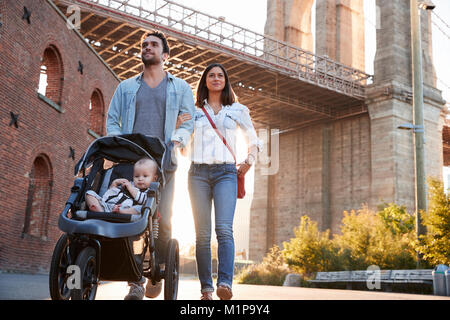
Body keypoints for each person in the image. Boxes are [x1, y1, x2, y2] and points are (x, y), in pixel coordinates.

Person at [106, 29, 195, 300]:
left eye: (154, 45)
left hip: (164, 161)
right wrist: (118, 142)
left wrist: (177, 141)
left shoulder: (180, 87)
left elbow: (189, 120)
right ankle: (134, 281)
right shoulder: (126, 87)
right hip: (132, 163)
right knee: (129, 217)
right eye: (144, 44)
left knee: (162, 218)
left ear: (165, 55)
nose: (147, 47)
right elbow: (112, 120)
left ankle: (159, 269)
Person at [184, 63, 261, 300]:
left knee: (224, 230)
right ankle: (206, 289)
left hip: (227, 174)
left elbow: (253, 139)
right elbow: (183, 143)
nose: (216, 78)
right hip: (197, 174)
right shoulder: (194, 110)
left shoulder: (238, 110)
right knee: (202, 235)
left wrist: (249, 160)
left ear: (225, 81)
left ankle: (225, 283)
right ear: (205, 81)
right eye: (211, 75)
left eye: (220, 75)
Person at [85, 157, 158, 215]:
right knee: (89, 193)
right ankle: (101, 213)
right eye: (136, 176)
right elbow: (111, 194)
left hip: (126, 210)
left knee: (142, 208)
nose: (140, 179)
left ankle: (119, 212)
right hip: (108, 207)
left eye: (145, 176)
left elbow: (144, 200)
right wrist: (114, 184)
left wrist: (131, 189)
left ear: (154, 179)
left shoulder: (150, 191)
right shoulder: (128, 184)